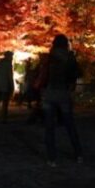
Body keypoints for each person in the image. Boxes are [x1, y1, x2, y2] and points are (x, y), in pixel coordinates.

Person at [40, 35, 83, 167]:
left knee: (49, 127)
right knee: (70, 124)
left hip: (49, 93)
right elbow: (77, 74)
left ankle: (51, 158)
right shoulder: (69, 58)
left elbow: (42, 76)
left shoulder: (49, 57)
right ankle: (78, 154)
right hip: (63, 93)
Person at [0, 51, 14, 123]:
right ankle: (3, 118)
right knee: (5, 103)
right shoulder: (8, 64)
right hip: (5, 86)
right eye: (11, 56)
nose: (12, 58)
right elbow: (10, 76)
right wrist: (12, 86)